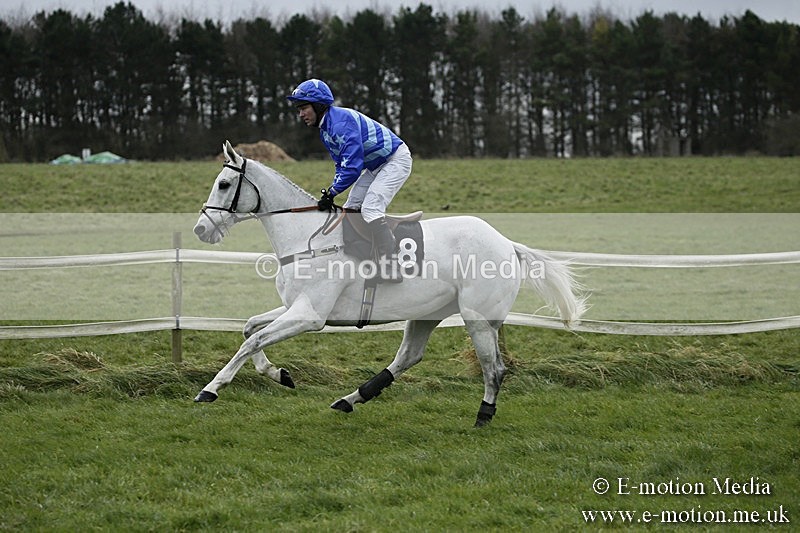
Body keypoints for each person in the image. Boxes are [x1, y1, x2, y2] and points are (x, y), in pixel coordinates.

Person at [287, 78, 412, 283]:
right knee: (351, 207)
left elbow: (353, 168)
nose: (300, 114)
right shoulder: (326, 129)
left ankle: (391, 266)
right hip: (375, 165)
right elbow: (341, 166)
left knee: (371, 208)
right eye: (298, 109)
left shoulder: (340, 123)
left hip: (395, 160)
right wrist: (331, 191)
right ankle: (361, 256)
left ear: (318, 106)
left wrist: (332, 192)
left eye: (303, 108)